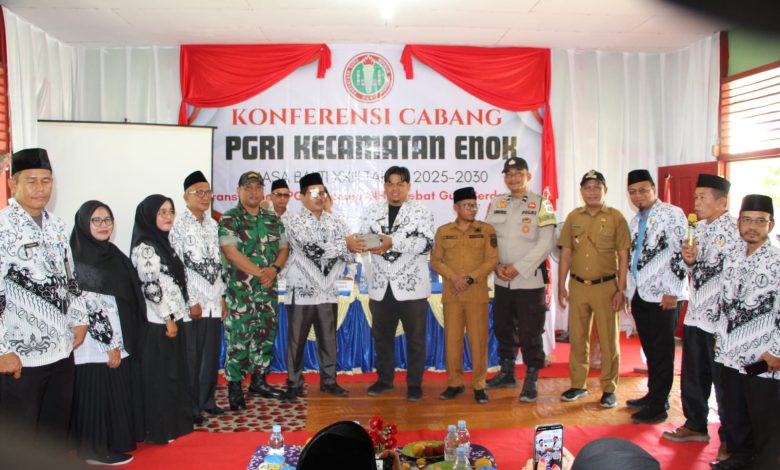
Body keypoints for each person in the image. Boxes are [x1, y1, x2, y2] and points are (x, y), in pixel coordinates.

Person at [0, 148, 88, 445]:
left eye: (46, 181)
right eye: (32, 181)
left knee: (54, 435)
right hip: (20, 356)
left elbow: (70, 277)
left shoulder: (57, 226)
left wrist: (80, 318)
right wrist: (1, 350)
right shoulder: (3, 227)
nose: (40, 188)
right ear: (12, 184)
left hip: (62, 348)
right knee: (20, 442)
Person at [662, 175, 738, 457]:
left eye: (702, 197)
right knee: (693, 375)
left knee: (724, 382)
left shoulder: (735, 230)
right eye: (695, 197)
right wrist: (689, 261)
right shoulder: (698, 228)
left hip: (720, 320)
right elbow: (694, 270)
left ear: (722, 201)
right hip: (696, 314)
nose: (696, 202)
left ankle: (730, 438)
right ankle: (695, 424)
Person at [70, 200, 147, 465]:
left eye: (107, 220)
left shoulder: (113, 255)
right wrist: (109, 344)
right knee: (95, 395)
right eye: (96, 220)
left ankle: (112, 443)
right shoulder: (80, 257)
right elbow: (90, 306)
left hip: (116, 339)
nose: (104, 225)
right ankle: (93, 451)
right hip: (94, 345)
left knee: (113, 393)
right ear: (84, 224)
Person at [348, 166, 434, 402]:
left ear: (408, 186)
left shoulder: (421, 212)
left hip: (412, 287)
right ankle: (384, 380)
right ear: (384, 186)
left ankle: (414, 384)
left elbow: (426, 244)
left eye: (400, 184)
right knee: (382, 338)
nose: (395, 188)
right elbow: (363, 238)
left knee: (415, 339)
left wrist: (392, 242)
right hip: (380, 286)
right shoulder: (372, 211)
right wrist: (363, 243)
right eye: (390, 183)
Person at [711, 194, 779, 470]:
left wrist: (776, 350)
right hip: (730, 352)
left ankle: (764, 464)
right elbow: (725, 301)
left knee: (762, 414)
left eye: (760, 221)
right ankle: (739, 459)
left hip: (761, 355)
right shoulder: (732, 256)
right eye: (747, 220)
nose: (752, 226)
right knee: (734, 410)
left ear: (770, 225)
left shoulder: (777, 261)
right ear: (739, 222)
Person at [484, 156, 556, 402]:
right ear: (504, 177)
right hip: (502, 279)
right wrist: (495, 264)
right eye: (509, 174)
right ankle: (507, 373)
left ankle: (531, 379)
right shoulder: (497, 202)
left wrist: (518, 267)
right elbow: (489, 238)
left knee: (530, 332)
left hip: (529, 280)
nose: (513, 178)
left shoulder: (542, 204)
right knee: (503, 327)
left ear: (528, 176)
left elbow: (546, 242)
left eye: (518, 173)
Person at [557, 170, 630, 408]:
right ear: (581, 192)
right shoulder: (573, 217)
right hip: (578, 286)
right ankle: (578, 385)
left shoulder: (616, 217)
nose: (592, 192)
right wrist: (561, 284)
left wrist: (621, 290)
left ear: (605, 191)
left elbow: (623, 255)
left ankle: (609, 388)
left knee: (609, 340)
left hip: (606, 287)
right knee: (578, 338)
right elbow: (566, 252)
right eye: (587, 188)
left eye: (597, 187)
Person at [219, 171, 289, 409]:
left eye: (258, 187)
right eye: (248, 187)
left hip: (267, 292)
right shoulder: (230, 218)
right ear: (238, 191)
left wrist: (274, 269)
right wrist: (261, 273)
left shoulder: (272, 218)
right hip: (241, 294)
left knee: (265, 336)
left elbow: (284, 247)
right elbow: (231, 253)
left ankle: (259, 381)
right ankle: (235, 387)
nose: (253, 192)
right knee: (238, 339)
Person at [281, 172, 352, 401]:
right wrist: (343, 245)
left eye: (322, 193)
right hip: (302, 289)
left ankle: (329, 381)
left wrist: (347, 247)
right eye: (313, 193)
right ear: (301, 197)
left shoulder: (336, 222)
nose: (319, 197)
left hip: (328, 289)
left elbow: (350, 255)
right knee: (296, 340)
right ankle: (294, 383)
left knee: (328, 339)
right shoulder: (292, 222)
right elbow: (310, 249)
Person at [624, 169, 688, 424]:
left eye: (643, 190)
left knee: (662, 352)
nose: (637, 195)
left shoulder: (672, 214)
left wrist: (673, 291)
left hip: (664, 296)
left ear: (654, 189)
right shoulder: (634, 221)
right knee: (651, 350)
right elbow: (633, 258)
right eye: (632, 191)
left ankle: (659, 406)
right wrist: (629, 292)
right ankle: (653, 395)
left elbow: (681, 252)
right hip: (641, 293)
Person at [130, 194, 193, 444]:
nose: (168, 217)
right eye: (162, 212)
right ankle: (159, 429)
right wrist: (167, 318)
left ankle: (173, 425)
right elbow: (151, 287)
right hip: (159, 323)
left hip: (174, 318)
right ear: (149, 216)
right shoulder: (146, 247)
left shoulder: (164, 243)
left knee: (173, 375)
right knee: (160, 377)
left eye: (170, 211)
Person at [430, 187, 498, 404]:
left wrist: (470, 278)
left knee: (478, 341)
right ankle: (454, 384)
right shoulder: (443, 231)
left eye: (474, 205)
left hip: (476, 294)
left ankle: (479, 385)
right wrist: (454, 277)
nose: (472, 209)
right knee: (453, 342)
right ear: (456, 207)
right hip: (452, 294)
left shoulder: (486, 230)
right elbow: (436, 260)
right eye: (467, 205)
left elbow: (492, 259)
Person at [169, 171, 227, 424]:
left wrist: (222, 297)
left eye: (208, 192)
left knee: (210, 356)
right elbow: (177, 267)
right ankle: (190, 406)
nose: (205, 197)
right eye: (198, 192)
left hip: (213, 301)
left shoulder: (214, 225)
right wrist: (191, 300)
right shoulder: (178, 226)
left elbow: (219, 265)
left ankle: (207, 401)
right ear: (186, 197)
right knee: (192, 357)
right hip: (192, 305)